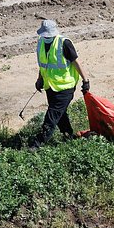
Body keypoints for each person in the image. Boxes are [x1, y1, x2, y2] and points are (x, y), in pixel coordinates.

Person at [29, 19, 89, 150]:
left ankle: (38, 143)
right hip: (50, 86)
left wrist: (85, 80)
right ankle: (68, 135)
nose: (46, 37)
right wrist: (39, 80)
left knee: (52, 115)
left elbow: (76, 62)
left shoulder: (64, 43)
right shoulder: (41, 42)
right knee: (60, 113)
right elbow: (43, 64)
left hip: (65, 87)